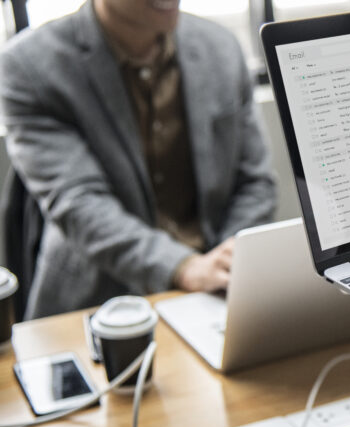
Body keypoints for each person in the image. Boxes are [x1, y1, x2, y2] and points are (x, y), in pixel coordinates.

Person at [0, 0, 276, 319]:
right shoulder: (29, 67)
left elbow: (256, 181)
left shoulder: (220, 47)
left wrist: (229, 262)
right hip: (98, 306)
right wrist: (183, 267)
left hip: (216, 293)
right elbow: (79, 202)